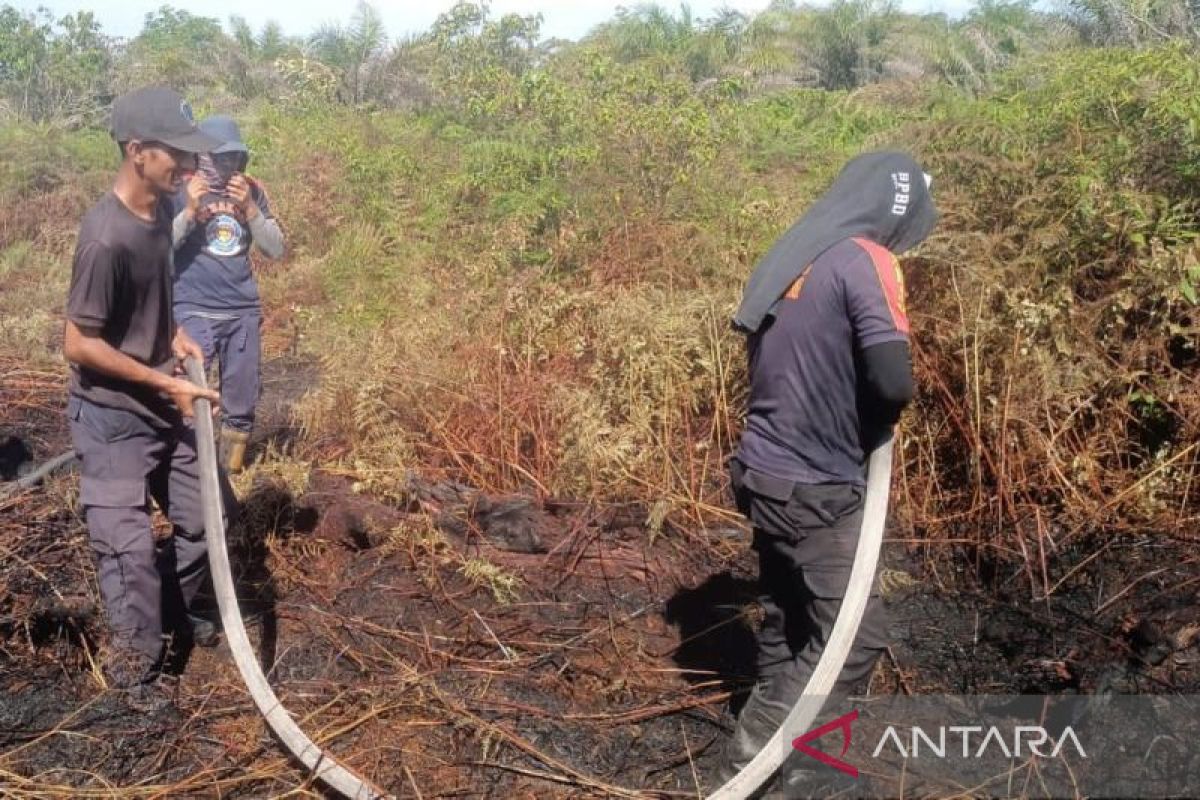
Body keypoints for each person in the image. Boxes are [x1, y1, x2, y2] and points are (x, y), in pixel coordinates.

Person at [713, 151, 938, 792]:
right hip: (814, 486)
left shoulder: (800, 252)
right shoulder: (866, 258)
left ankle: (783, 764)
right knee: (853, 639)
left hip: (762, 473)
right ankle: (754, 772)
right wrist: (878, 415)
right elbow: (893, 382)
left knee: (791, 624)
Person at [62, 86, 232, 705]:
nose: (188, 167)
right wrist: (165, 380)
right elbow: (79, 344)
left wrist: (176, 336)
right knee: (127, 548)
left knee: (206, 519)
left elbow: (153, 302)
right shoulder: (105, 238)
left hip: (164, 402)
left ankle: (183, 614)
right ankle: (136, 674)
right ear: (137, 152)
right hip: (112, 419)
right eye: (175, 155)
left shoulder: (160, 212)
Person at [171, 115, 285, 473]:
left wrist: (250, 208)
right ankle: (191, 470)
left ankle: (230, 474)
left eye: (233, 159)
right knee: (194, 391)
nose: (227, 166)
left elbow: (276, 249)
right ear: (203, 156)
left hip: (242, 309)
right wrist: (190, 211)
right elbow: (160, 248)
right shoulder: (180, 189)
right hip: (194, 306)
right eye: (220, 158)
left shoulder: (252, 190)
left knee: (242, 392)